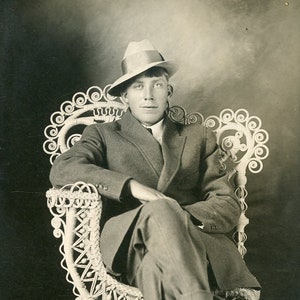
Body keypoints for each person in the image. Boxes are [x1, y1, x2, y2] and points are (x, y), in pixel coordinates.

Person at [50, 40, 261, 300]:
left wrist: (174, 217)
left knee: (153, 268)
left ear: (169, 91)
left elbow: (226, 203)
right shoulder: (103, 134)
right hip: (129, 242)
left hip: (190, 245)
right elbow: (64, 168)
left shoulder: (198, 136)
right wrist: (131, 187)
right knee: (159, 209)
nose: (148, 95)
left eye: (157, 85)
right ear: (125, 95)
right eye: (138, 86)